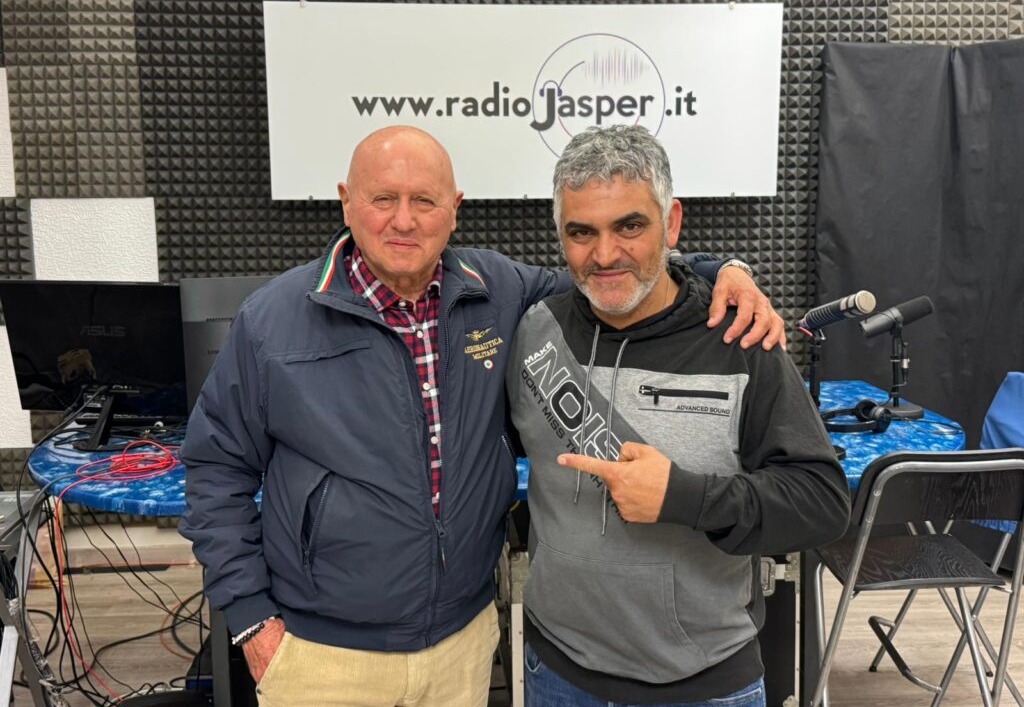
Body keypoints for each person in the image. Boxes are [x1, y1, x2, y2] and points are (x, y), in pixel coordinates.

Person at [179, 125, 784, 707]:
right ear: (346, 201)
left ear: (455, 209)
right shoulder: (272, 321)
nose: (404, 220)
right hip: (321, 654)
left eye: (424, 200)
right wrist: (251, 619)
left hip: (461, 645)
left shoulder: (498, 290)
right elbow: (214, 470)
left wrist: (725, 270)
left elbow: (611, 268)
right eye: (383, 198)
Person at [506, 125, 850, 707]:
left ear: (671, 224)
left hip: (704, 684)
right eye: (582, 232)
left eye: (630, 226)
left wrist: (683, 498)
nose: (605, 254)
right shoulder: (534, 330)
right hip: (557, 672)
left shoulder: (741, 340)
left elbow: (821, 502)